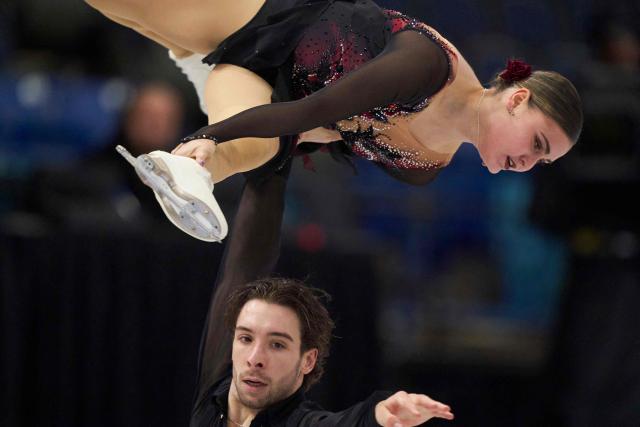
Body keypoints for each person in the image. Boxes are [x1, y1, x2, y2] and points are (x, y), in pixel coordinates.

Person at [86, 0, 583, 241]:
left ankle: (194, 173)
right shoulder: (430, 66)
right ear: (516, 100)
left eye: (545, 161)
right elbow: (318, 110)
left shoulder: (423, 166)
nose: (531, 162)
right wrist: (205, 132)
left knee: (262, 148)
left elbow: (316, 135)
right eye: (539, 144)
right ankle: (197, 153)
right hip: (258, 17)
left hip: (258, 80)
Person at [189, 162, 454, 426]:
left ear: (307, 361)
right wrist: (272, 158)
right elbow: (245, 261)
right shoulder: (215, 396)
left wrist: (377, 417)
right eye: (246, 338)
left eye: (277, 344)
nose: (255, 358)